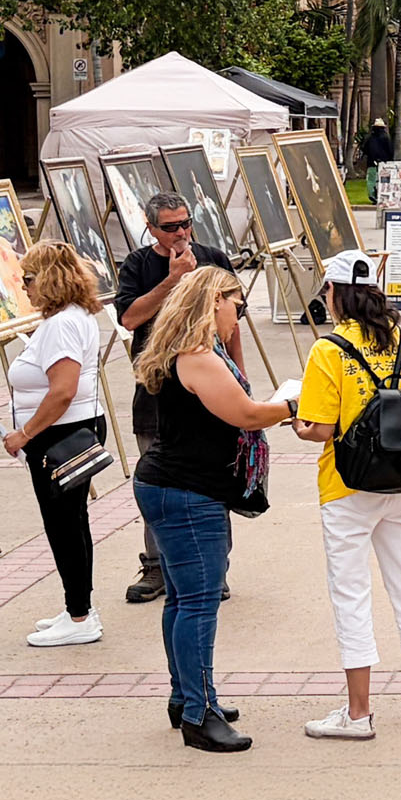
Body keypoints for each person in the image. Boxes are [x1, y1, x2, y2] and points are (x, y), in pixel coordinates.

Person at [132, 266, 296, 752]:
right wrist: (294, 404)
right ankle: (199, 714)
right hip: (186, 491)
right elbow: (246, 414)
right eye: (236, 305)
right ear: (213, 301)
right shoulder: (199, 356)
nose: (237, 316)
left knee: (182, 599)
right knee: (199, 602)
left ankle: (187, 697)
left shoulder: (187, 351)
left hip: (173, 485)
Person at [294, 251, 401, 740]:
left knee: (351, 593)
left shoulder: (328, 350)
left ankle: (358, 713)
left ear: (335, 293)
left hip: (347, 485)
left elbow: (320, 429)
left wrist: (297, 422)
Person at [116, 191, 240, 604]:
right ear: (151, 228)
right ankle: (157, 567)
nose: (181, 233)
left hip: (210, 391)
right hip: (155, 395)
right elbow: (129, 318)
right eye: (170, 227)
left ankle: (214, 567)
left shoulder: (213, 259)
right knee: (159, 481)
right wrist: (171, 280)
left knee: (212, 480)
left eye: (186, 223)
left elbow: (234, 325)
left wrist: (240, 380)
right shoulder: (138, 265)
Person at [6, 242, 108, 647]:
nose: (25, 286)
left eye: (28, 278)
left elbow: (63, 390)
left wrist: (25, 433)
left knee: (63, 524)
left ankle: (80, 614)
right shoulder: (72, 316)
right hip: (72, 427)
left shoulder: (62, 324)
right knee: (72, 521)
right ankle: (78, 606)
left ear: (49, 279)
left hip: (61, 433)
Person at [363, 119, 394, 200]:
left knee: (371, 180)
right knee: (384, 180)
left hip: (371, 162)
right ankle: (383, 195)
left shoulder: (370, 138)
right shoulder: (386, 138)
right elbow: (390, 151)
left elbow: (365, 149)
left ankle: (372, 194)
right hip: (384, 163)